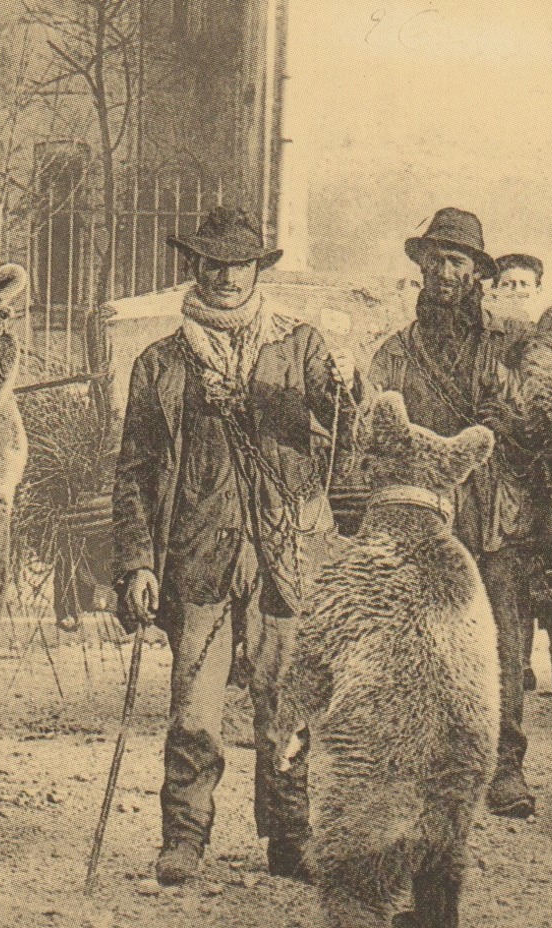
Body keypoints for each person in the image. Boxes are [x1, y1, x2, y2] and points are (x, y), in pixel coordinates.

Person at [113, 206, 359, 886]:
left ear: (256, 270)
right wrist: (136, 562)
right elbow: (133, 470)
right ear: (194, 267)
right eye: (213, 263)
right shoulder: (160, 362)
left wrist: (345, 385)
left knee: (285, 706)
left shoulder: (298, 344)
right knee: (193, 711)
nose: (226, 276)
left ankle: (287, 838)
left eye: (239, 264)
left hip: (289, 555)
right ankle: (183, 840)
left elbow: (342, 425)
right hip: (199, 557)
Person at [365, 210, 552, 817]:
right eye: (436, 260)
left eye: (458, 262)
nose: (445, 273)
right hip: (425, 521)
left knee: (503, 642)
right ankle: (430, 763)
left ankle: (505, 768)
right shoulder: (395, 354)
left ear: (477, 272)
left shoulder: (512, 339)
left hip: (500, 516)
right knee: (423, 644)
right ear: (420, 266)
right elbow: (375, 438)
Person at [491, 252, 552, 704]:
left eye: (523, 287)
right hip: (501, 479)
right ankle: (522, 665)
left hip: (541, 479)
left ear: (537, 292)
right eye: (506, 285)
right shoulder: (488, 341)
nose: (514, 294)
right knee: (514, 579)